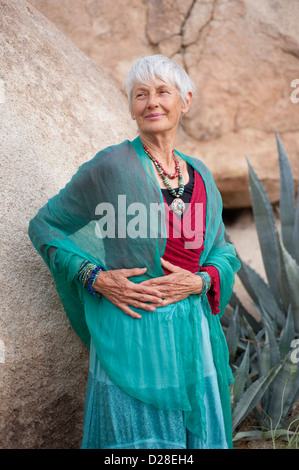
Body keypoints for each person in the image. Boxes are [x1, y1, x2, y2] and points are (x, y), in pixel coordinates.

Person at [28, 55, 241, 449]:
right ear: (131, 108)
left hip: (193, 341)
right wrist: (96, 278)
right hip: (131, 337)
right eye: (140, 94)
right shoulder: (111, 166)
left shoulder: (202, 175)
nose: (152, 102)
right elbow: (45, 226)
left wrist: (200, 280)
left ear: (186, 101)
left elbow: (223, 252)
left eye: (163, 91)